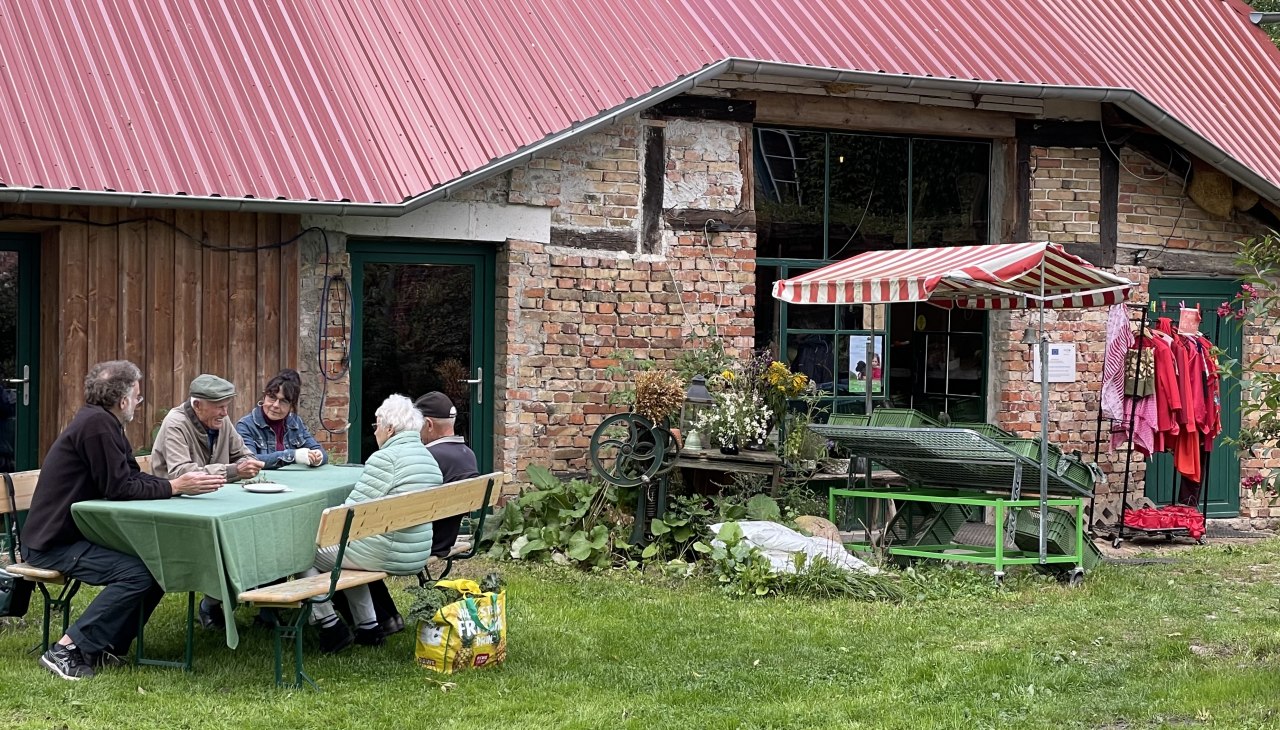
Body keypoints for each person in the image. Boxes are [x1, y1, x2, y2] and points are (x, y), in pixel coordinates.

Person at [21, 361, 224, 680]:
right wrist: (175, 486)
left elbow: (129, 477)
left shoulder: (102, 423)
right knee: (139, 572)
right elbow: (120, 488)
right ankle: (67, 648)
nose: (139, 404)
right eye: (138, 397)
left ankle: (107, 646)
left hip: (72, 534)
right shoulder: (97, 425)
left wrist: (174, 487)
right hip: (52, 543)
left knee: (156, 564)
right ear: (123, 400)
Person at [306, 394, 443, 654]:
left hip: (390, 552)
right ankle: (369, 628)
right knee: (346, 551)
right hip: (416, 550)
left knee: (303, 551)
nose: (376, 431)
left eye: (376, 425)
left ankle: (329, 625)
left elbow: (349, 516)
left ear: (389, 428)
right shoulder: (427, 457)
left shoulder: (386, 459)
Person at [151, 373, 265, 629]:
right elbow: (183, 473)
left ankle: (244, 603)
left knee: (256, 534)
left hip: (215, 503)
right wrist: (234, 470)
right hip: (175, 511)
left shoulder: (220, 420)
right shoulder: (175, 423)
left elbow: (242, 453)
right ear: (197, 404)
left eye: (227, 406)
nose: (225, 413)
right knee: (235, 542)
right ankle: (213, 603)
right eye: (219, 406)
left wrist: (249, 462)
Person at [416, 392, 479, 561]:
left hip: (419, 545)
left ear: (428, 424)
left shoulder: (426, 457)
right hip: (445, 541)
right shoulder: (469, 455)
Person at [235, 369, 327, 469]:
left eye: (283, 401)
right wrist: (293, 456)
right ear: (264, 397)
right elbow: (250, 461)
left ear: (291, 406)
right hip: (261, 482)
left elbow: (321, 452)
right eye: (272, 397)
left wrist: (317, 457)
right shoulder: (246, 425)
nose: (275, 405)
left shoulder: (295, 422)